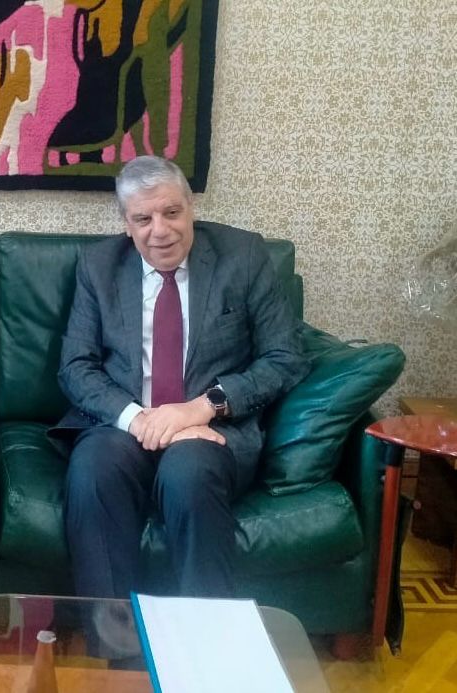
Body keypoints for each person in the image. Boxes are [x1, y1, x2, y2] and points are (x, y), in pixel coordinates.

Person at [52, 155, 309, 600]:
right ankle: (114, 635)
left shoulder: (244, 257)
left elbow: (285, 357)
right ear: (126, 224)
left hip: (210, 429)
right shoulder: (98, 266)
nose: (160, 230)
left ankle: (202, 635)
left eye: (172, 212)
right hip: (123, 425)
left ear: (192, 207)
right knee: (93, 470)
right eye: (143, 219)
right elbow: (75, 366)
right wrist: (140, 420)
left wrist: (202, 408)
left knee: (187, 474)